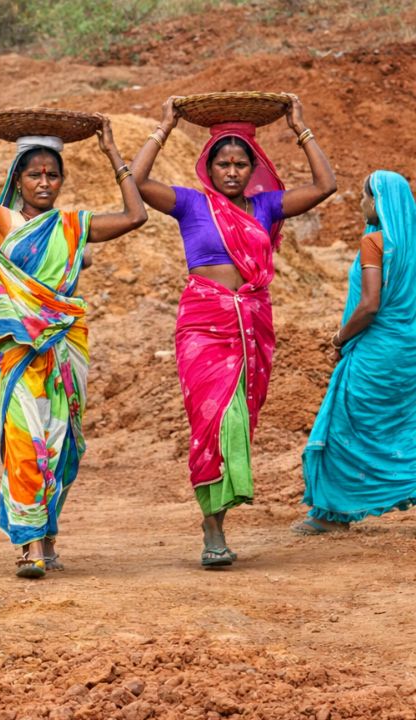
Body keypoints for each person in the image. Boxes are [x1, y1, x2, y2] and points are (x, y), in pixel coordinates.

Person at [0, 111, 146, 579]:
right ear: (19, 176)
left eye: (53, 174)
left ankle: (48, 535)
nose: (45, 182)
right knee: (26, 442)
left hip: (67, 348)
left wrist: (114, 155)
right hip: (19, 352)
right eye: (35, 173)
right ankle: (31, 547)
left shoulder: (72, 226)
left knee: (63, 445)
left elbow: (136, 216)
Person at [132, 95, 336, 567]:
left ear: (253, 167)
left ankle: (222, 515)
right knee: (212, 422)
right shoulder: (190, 203)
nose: (231, 171)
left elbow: (326, 185)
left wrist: (300, 127)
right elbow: (137, 181)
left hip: (251, 326)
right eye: (222, 163)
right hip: (203, 326)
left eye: (240, 163)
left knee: (238, 424)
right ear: (208, 165)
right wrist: (163, 126)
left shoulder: (267, 207)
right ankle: (212, 528)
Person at [297, 171, 416, 533]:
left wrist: (339, 339)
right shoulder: (409, 244)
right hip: (408, 352)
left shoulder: (375, 244)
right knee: (402, 426)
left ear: (378, 202)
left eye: (366, 198)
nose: (362, 204)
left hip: (376, 353)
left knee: (343, 425)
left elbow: (368, 306)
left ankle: (330, 513)